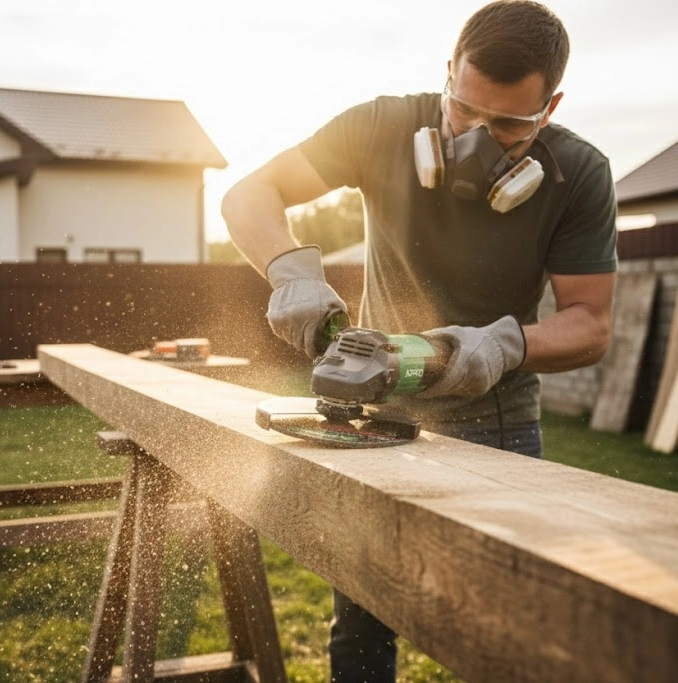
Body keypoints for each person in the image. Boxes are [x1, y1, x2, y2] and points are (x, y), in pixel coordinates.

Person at [222, 1, 617, 680]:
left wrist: (500, 347)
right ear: (448, 75)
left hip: (500, 427)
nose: (476, 138)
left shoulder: (577, 173)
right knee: (362, 626)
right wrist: (291, 274)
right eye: (463, 110)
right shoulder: (381, 126)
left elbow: (590, 322)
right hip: (378, 416)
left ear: (548, 109)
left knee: (506, 637)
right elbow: (250, 193)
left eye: (509, 125)